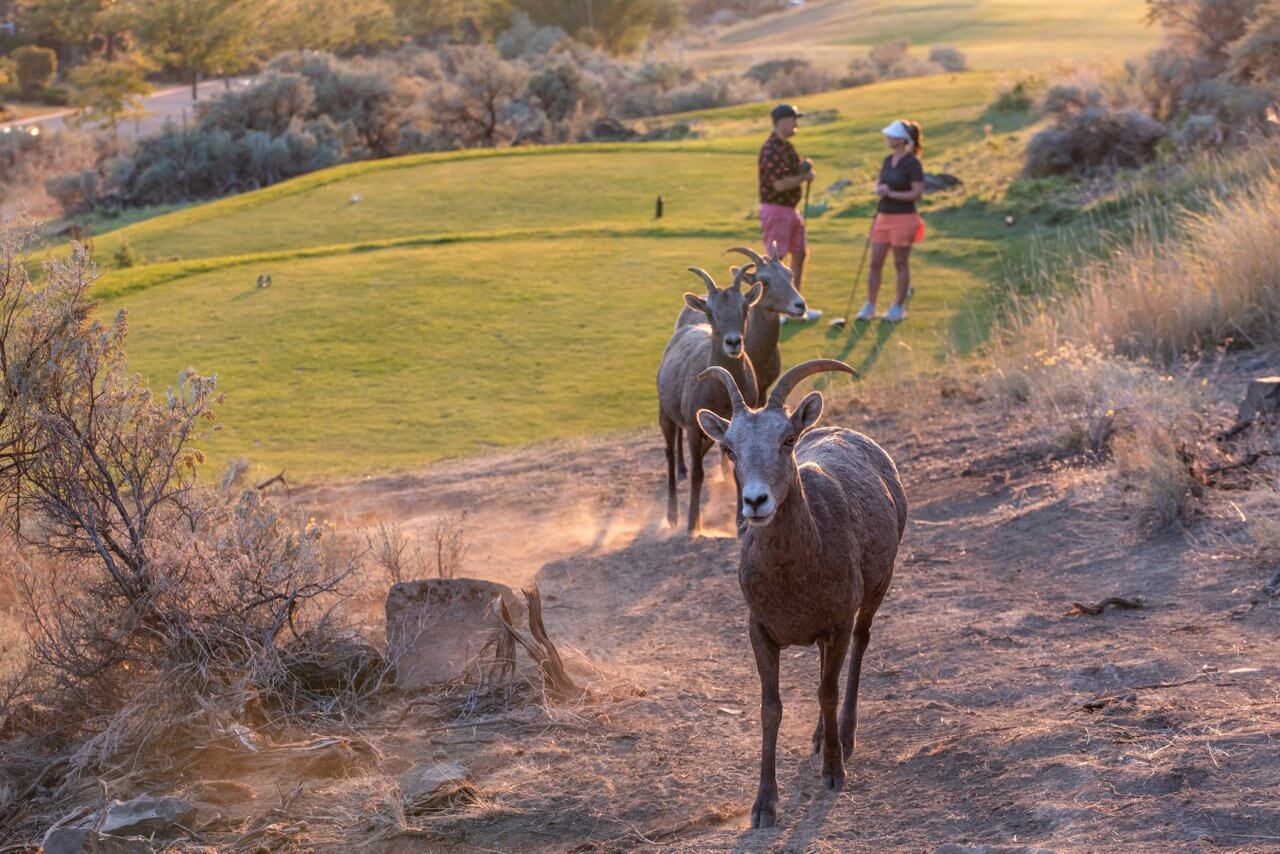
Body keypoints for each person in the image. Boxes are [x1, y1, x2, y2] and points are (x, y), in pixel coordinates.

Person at [855, 119, 925, 323]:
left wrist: (891, 193)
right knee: (875, 262)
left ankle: (897, 308)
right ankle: (870, 305)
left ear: (903, 139)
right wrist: (880, 189)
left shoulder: (913, 163)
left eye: (892, 135)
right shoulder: (888, 160)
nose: (887, 138)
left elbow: (917, 193)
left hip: (904, 218)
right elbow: (882, 183)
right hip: (883, 216)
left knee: (900, 263)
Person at [758, 103, 821, 322]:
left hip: (790, 210)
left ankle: (796, 306)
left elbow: (793, 170)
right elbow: (779, 185)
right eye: (793, 120)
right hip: (776, 210)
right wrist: (804, 177)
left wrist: (804, 167)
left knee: (800, 254)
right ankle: (776, 309)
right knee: (777, 261)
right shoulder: (771, 149)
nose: (796, 124)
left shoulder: (787, 148)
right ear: (782, 122)